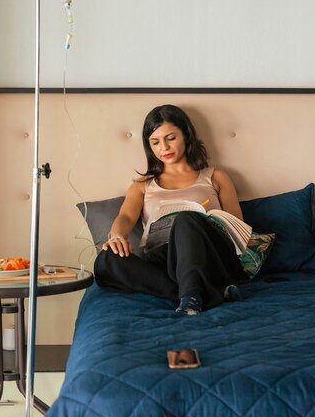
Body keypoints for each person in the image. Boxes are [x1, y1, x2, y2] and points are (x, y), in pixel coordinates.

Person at [94, 104, 249, 315]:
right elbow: (126, 216)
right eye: (155, 142)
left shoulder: (215, 176)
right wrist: (117, 236)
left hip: (208, 255)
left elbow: (236, 228)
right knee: (106, 260)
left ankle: (193, 295)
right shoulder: (143, 185)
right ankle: (201, 293)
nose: (164, 148)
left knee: (185, 220)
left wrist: (202, 223)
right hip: (165, 260)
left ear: (186, 134)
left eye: (170, 138)